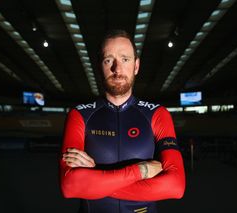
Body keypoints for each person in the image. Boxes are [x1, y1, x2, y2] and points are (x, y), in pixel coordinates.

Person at [60, 29, 185, 213]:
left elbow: (175, 186)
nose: (117, 69)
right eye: (108, 60)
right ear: (99, 67)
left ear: (136, 66)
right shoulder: (79, 115)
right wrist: (140, 171)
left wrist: (95, 181)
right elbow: (69, 186)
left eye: (125, 59)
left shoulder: (158, 114)